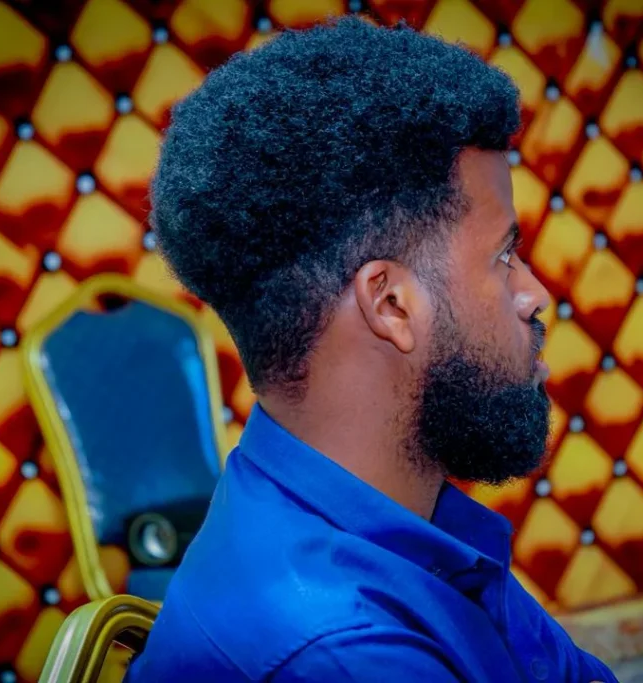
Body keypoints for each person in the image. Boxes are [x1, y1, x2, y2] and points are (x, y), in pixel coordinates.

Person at [125, 16, 617, 683]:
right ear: (390, 305)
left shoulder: (395, 519)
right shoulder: (343, 650)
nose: (535, 295)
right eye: (505, 257)